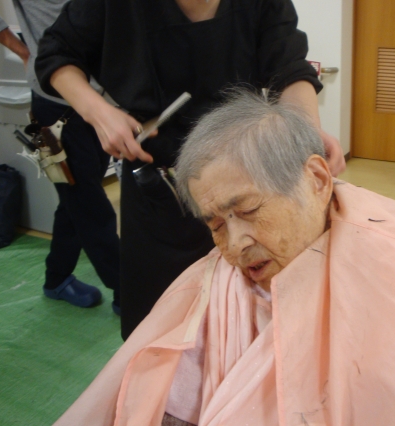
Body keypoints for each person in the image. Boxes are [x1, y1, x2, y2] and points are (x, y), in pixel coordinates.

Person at [52, 91, 395, 426]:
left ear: (317, 180)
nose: (235, 244)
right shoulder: (214, 284)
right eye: (215, 224)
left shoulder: (394, 249)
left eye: (248, 210)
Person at [35, 0, 346, 340]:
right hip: (157, 182)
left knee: (246, 323)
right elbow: (56, 54)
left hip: (242, 174)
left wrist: (304, 133)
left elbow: (289, 68)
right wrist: (97, 112)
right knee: (160, 326)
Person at [0, 0, 120, 312]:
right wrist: (24, 52)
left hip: (101, 97)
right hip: (58, 103)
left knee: (76, 198)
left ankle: (56, 278)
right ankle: (127, 291)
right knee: (90, 205)